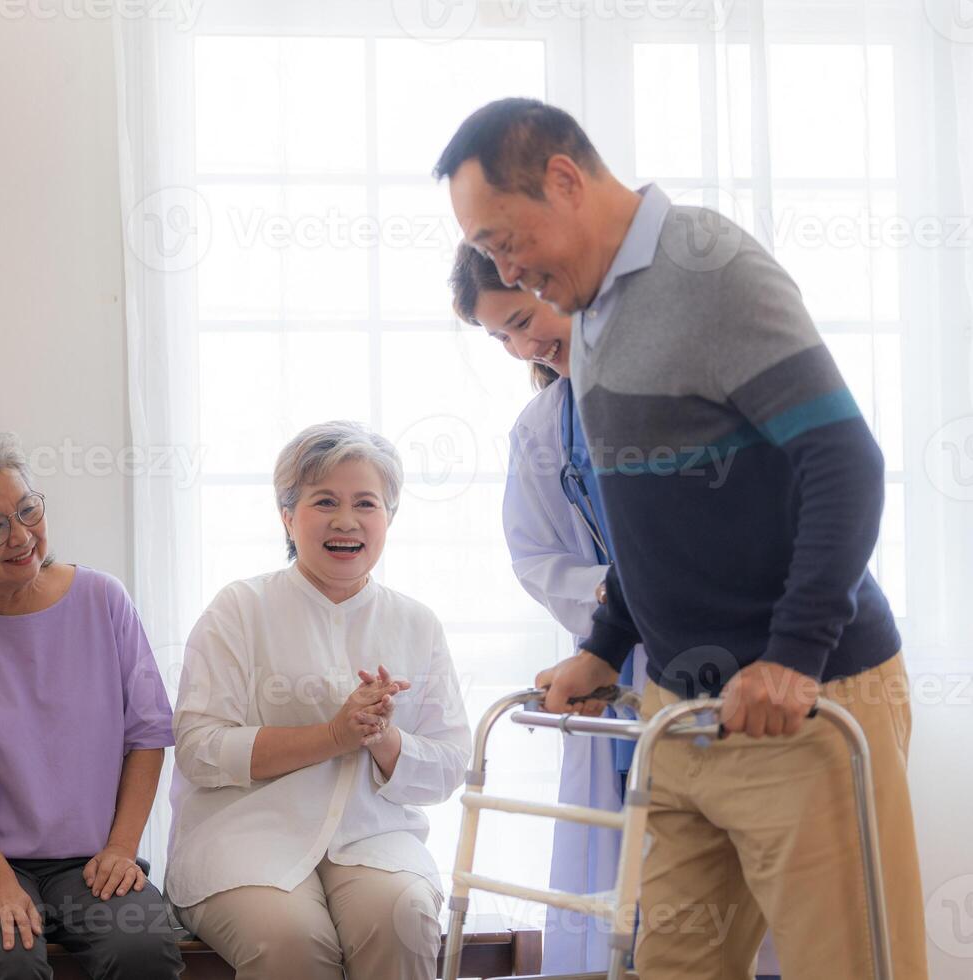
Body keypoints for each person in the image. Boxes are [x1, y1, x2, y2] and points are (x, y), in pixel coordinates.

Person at [436, 97, 926, 979]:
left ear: (563, 180)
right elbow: (651, 518)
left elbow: (844, 460)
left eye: (505, 241)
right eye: (487, 255)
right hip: (682, 716)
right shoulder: (588, 313)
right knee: (663, 965)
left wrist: (794, 656)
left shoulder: (710, 269)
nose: (506, 268)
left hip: (803, 708)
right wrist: (606, 643)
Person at [166, 421, 471, 980]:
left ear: (389, 517)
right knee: (290, 941)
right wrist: (332, 736)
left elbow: (451, 766)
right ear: (288, 515)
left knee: (403, 919)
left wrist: (384, 738)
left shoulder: (415, 623)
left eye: (366, 503)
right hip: (246, 836)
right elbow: (199, 750)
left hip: (373, 837)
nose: (346, 520)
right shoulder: (239, 609)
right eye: (324, 501)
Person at [0, 432, 183, 980]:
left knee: (141, 950)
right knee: (5, 956)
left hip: (90, 857)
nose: (22, 535)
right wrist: (0, 883)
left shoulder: (103, 599)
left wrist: (122, 849)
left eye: (28, 510)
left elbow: (148, 733)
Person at [450, 243, 645, 972]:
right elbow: (534, 555)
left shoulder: (661, 386)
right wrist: (606, 588)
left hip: (720, 660)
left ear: (557, 286)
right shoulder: (542, 427)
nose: (521, 346)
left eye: (523, 320)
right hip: (615, 659)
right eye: (500, 336)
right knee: (627, 880)